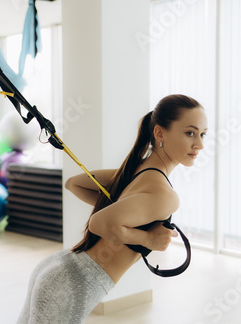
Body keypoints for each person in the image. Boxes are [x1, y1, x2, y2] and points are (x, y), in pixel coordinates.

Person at [16, 94, 208, 324]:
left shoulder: (136, 171)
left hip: (61, 267)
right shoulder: (164, 195)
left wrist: (117, 205)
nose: (199, 144)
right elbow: (99, 223)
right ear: (159, 133)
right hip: (73, 282)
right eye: (190, 133)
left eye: (202, 134)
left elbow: (74, 184)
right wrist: (147, 239)